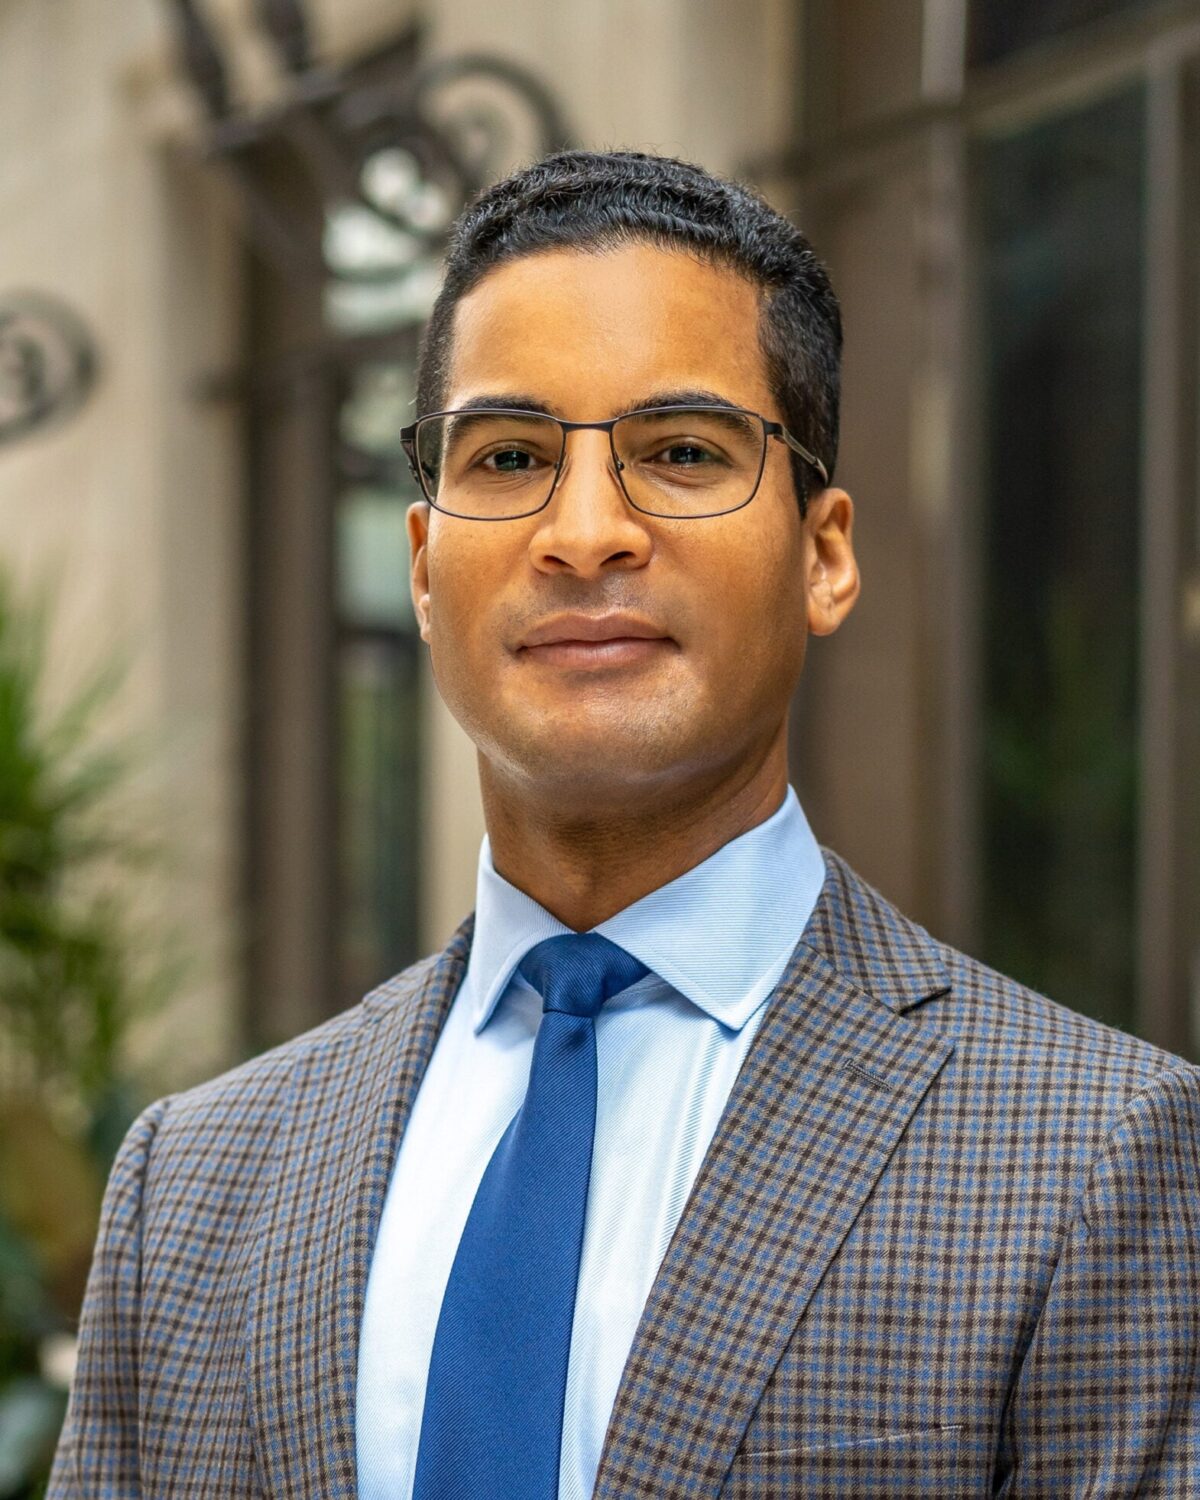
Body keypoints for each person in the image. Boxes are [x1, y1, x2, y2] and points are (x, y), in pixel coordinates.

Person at [50, 150, 1199, 1500]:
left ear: (824, 554)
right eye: (514, 456)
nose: (584, 533)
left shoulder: (1098, 1157)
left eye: (683, 452)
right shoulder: (191, 1185)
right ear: (423, 566)